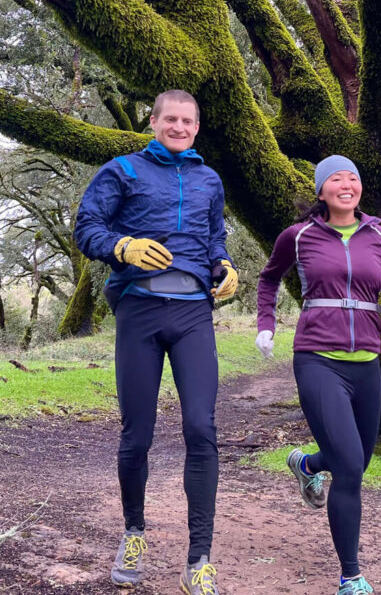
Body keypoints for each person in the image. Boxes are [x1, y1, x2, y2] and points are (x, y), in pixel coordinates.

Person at [74, 89, 237, 594]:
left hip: (193, 314)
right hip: (140, 310)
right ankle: (134, 532)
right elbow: (87, 227)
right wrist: (121, 245)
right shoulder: (122, 170)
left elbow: (215, 240)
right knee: (137, 434)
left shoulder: (210, 179)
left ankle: (199, 559)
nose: (179, 126)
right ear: (154, 121)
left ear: (196, 126)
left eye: (188, 120)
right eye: (171, 118)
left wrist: (224, 266)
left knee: (201, 428)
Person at [255, 155, 381, 595]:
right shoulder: (298, 236)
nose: (347, 184)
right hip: (317, 359)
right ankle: (351, 575)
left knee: (357, 460)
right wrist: (266, 323)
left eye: (353, 178)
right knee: (351, 471)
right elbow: (269, 280)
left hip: (367, 362)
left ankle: (306, 464)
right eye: (336, 179)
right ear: (321, 191)